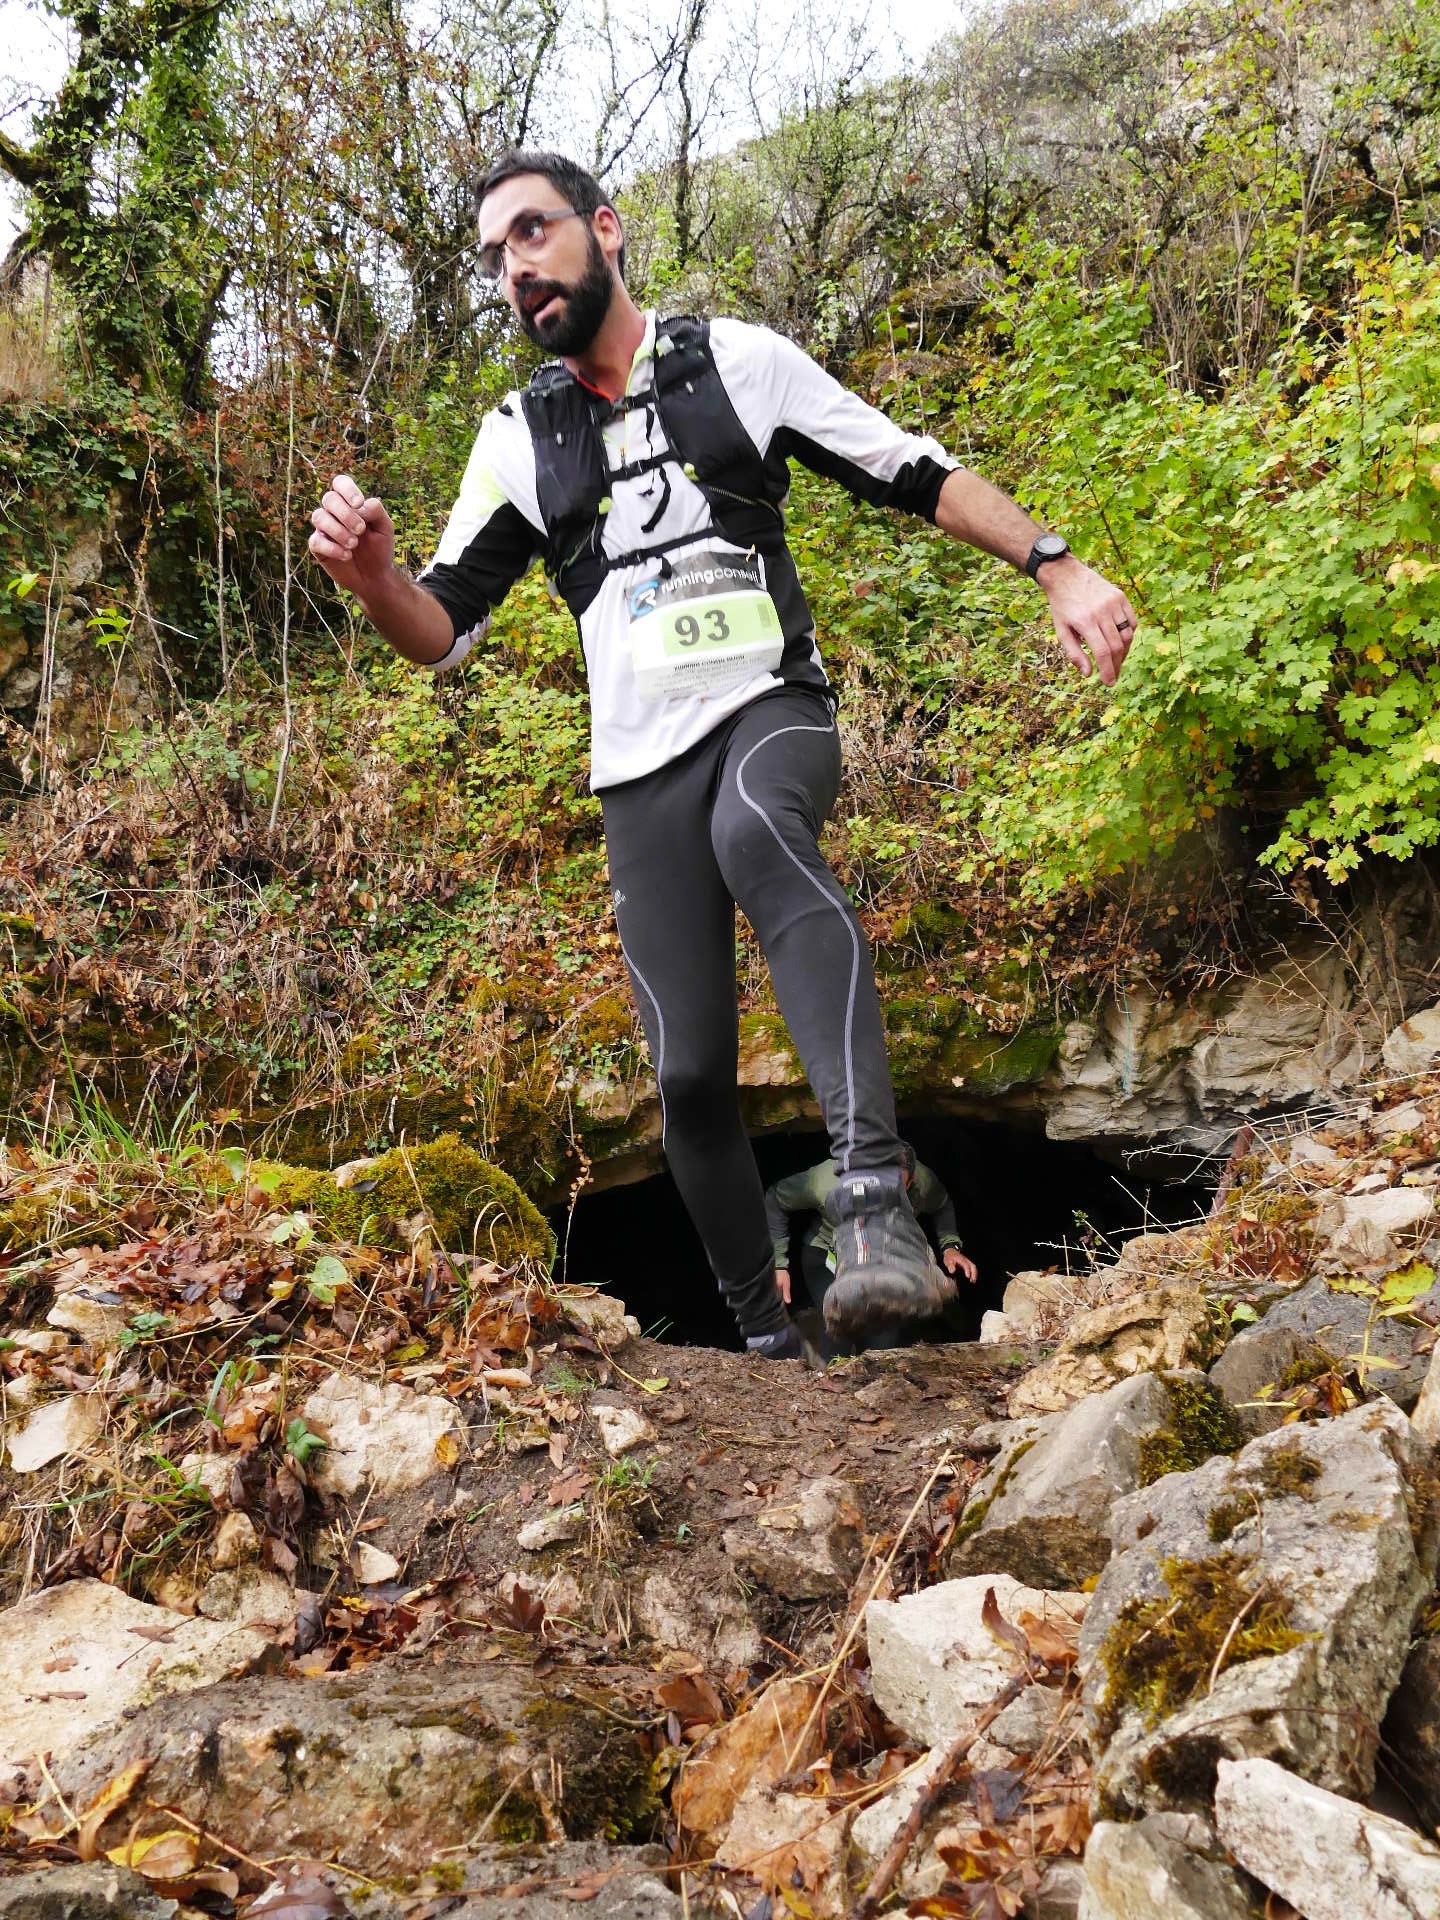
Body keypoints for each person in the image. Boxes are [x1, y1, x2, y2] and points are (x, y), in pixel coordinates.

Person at [307, 149, 1138, 1361]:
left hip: (767, 710)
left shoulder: (739, 362)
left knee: (760, 828)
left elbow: (912, 468)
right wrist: (377, 580)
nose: (516, 270)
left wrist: (1056, 564)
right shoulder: (515, 440)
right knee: (689, 1077)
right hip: (638, 773)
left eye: (533, 234)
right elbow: (441, 633)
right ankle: (765, 1341)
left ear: (606, 228)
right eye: (495, 257)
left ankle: (870, 1204)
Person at [765, 1142, 978, 1354]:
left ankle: (877, 1384)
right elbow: (776, 1199)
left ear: (910, 1182)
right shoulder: (829, 1180)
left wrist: (950, 1245)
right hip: (828, 1256)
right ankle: (831, 1377)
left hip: (888, 1255)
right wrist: (779, 1264)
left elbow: (942, 1204)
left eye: (896, 1188)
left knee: (886, 1333)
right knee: (842, 1323)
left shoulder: (923, 1183)